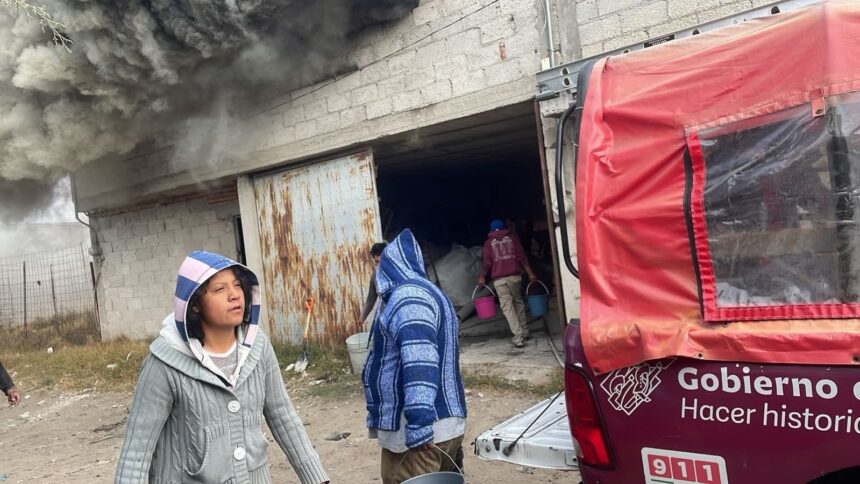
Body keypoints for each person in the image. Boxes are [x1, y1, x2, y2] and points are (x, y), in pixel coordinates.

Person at [115, 251, 329, 484]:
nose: (234, 295)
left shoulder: (257, 347)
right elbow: (136, 453)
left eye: (237, 285)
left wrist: (316, 478)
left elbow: (283, 415)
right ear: (194, 305)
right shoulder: (164, 362)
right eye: (219, 289)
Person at [363, 229, 467, 484]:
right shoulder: (430, 292)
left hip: (419, 436)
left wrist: (419, 424)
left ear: (391, 265)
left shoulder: (408, 297)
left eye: (382, 264)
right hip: (442, 426)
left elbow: (420, 360)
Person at [477, 219, 538, 348]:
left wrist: (482, 276)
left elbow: (487, 263)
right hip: (515, 277)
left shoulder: (488, 243)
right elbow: (522, 257)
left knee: (507, 307)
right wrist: (530, 273)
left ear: (491, 230)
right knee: (518, 302)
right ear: (504, 228)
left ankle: (518, 336)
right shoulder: (513, 239)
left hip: (499, 280)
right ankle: (525, 331)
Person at [358, 242, 388, 325]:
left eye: (382, 261)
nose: (379, 265)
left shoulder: (399, 273)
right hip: (384, 316)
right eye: (377, 262)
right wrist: (362, 318)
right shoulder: (375, 276)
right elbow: (371, 299)